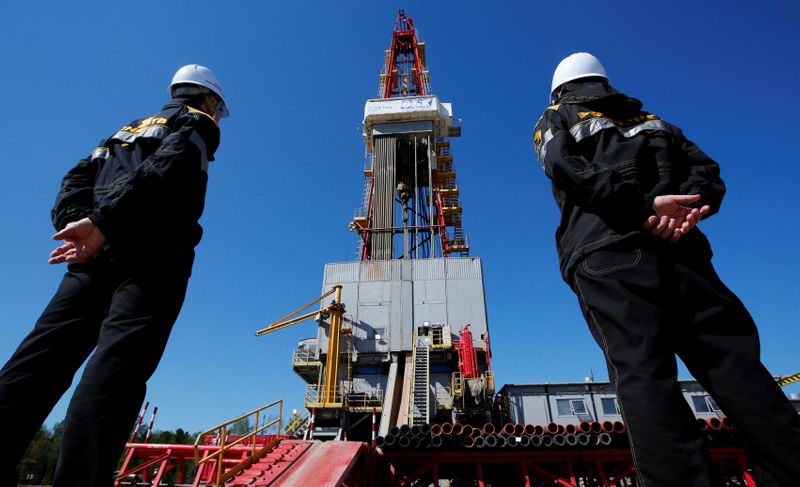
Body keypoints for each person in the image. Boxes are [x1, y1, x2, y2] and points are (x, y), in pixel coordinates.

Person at [533, 52, 800, 486]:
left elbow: (564, 167)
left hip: (610, 253)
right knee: (735, 366)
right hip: (681, 249)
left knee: (644, 373)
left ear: (560, 88)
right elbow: (708, 175)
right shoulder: (656, 121)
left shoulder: (555, 115)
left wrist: (639, 208)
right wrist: (686, 212)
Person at [0, 64, 228, 486]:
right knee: (116, 369)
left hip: (93, 254)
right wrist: (105, 222)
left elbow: (74, 178)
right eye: (218, 107)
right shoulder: (196, 122)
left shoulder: (120, 133)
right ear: (209, 100)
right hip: (155, 254)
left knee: (38, 362)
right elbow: (171, 168)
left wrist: (86, 225)